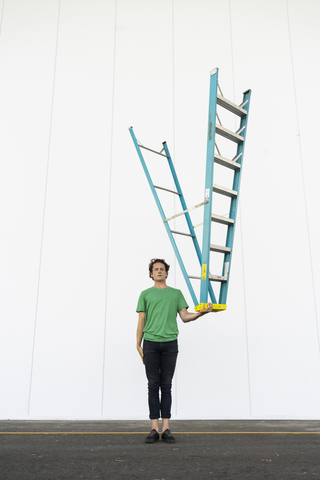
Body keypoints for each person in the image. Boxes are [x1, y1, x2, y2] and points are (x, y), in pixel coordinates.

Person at [136, 258, 213, 444]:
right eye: (156, 269)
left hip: (170, 344)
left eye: (162, 269)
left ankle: (167, 428)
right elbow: (141, 321)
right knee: (153, 385)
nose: (159, 271)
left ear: (167, 273)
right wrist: (138, 345)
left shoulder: (176, 293)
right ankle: (154, 429)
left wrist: (201, 313)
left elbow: (185, 317)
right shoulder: (145, 294)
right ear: (151, 274)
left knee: (167, 385)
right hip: (151, 344)